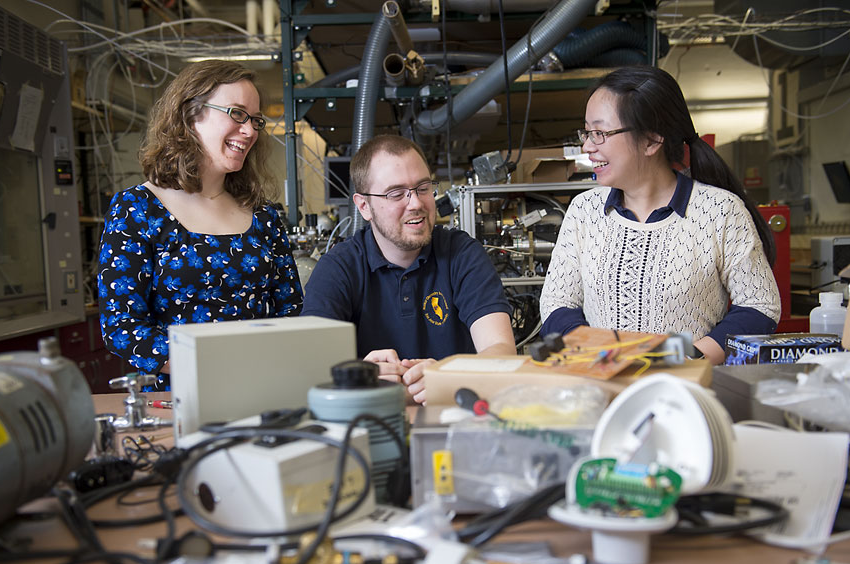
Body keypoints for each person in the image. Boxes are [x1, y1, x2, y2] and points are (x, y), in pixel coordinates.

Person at [540, 65, 780, 365]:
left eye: (600, 133)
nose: (587, 146)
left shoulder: (721, 211)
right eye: (587, 133)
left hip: (685, 389)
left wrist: (682, 358)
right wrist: (598, 356)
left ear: (652, 141)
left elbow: (759, 306)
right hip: (599, 384)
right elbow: (557, 303)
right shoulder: (584, 211)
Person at [98, 60, 303, 390]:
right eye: (237, 114)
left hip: (262, 388)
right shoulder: (137, 209)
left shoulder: (263, 216)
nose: (250, 130)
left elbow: (290, 310)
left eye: (255, 120)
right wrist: (210, 366)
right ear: (190, 114)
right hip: (180, 397)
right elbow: (122, 325)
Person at [302, 135, 516, 403]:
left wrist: (449, 376)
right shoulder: (338, 268)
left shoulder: (462, 254)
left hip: (453, 420)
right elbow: (311, 370)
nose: (415, 203)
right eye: (396, 193)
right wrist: (360, 376)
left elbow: (502, 351)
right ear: (364, 206)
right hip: (369, 426)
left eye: (423, 187)